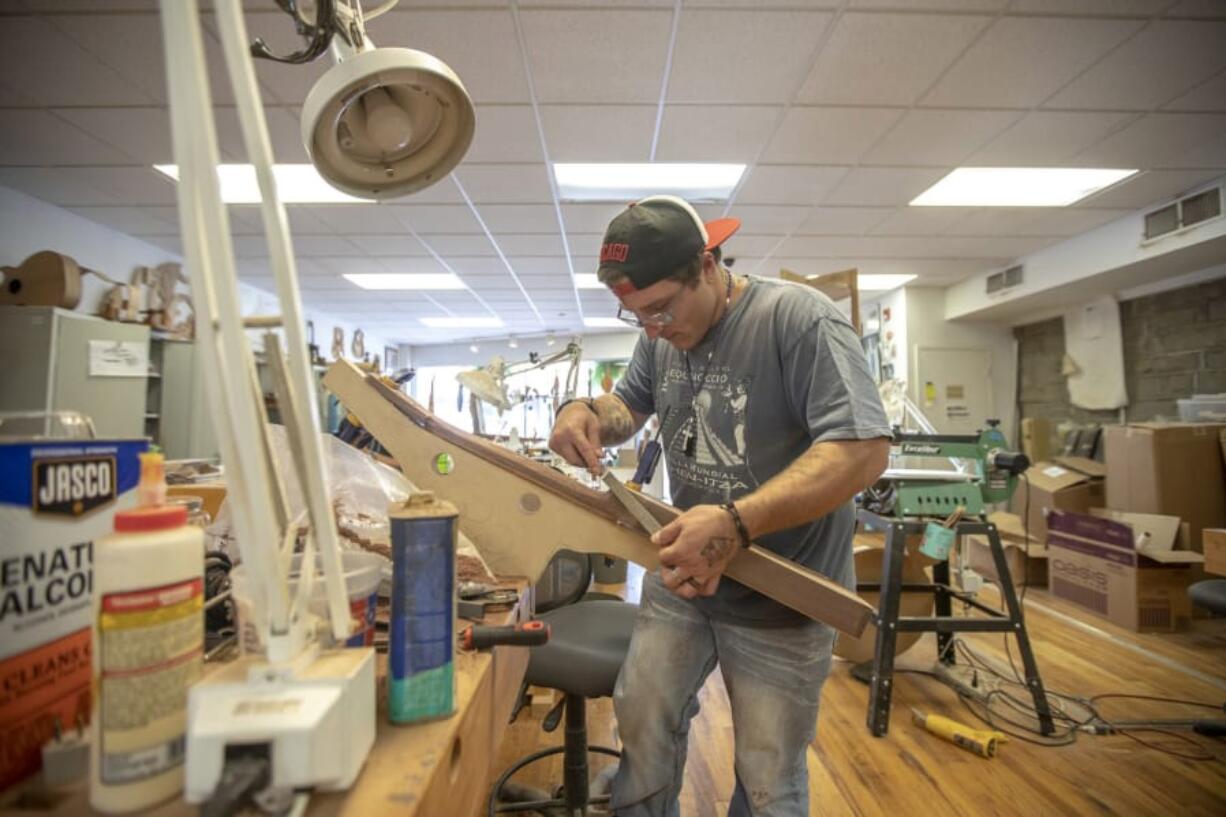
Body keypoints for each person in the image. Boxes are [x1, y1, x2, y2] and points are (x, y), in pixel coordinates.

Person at [548, 195, 891, 817]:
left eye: (659, 309)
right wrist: (584, 412)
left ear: (706, 266)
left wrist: (737, 521)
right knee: (644, 724)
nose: (652, 329)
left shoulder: (798, 321)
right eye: (636, 317)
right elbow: (628, 407)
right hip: (684, 578)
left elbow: (862, 452)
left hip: (784, 595)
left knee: (767, 775)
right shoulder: (660, 337)